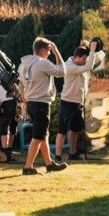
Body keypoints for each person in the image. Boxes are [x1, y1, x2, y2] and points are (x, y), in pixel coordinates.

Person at [18, 37, 68, 175]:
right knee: (38, 136)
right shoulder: (42, 63)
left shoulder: (23, 65)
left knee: (43, 135)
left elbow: (20, 87)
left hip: (31, 102)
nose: (50, 54)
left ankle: (49, 164)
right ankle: (28, 167)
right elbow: (61, 71)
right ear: (43, 50)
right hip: (41, 103)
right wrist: (57, 52)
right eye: (49, 51)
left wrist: (25, 104)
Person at [54, 40, 105, 163]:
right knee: (62, 130)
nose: (84, 62)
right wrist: (91, 50)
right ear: (76, 57)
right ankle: (58, 156)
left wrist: (92, 46)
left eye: (86, 60)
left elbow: (101, 55)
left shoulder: (83, 62)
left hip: (78, 102)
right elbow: (89, 66)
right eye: (83, 60)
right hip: (67, 101)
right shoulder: (69, 66)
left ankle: (73, 153)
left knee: (75, 130)